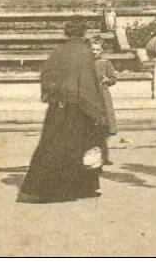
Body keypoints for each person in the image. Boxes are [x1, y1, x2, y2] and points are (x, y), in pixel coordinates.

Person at [19, 19, 109, 203]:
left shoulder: (57, 51)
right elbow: (87, 84)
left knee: (53, 145)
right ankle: (78, 188)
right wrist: (98, 112)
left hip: (58, 107)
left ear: (67, 33)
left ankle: (44, 188)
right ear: (83, 32)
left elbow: (46, 76)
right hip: (78, 107)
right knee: (79, 146)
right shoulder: (84, 52)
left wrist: (53, 96)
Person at [89, 34, 117, 164]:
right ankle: (92, 156)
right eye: (92, 49)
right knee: (91, 128)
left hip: (103, 97)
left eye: (97, 49)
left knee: (104, 128)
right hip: (90, 97)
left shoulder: (106, 63)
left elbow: (113, 78)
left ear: (102, 50)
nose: (95, 52)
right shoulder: (85, 63)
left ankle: (105, 157)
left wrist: (108, 80)